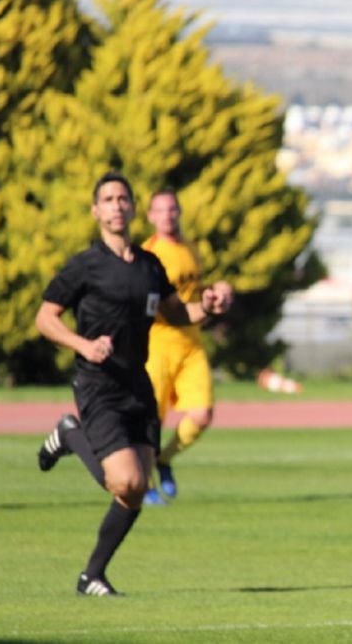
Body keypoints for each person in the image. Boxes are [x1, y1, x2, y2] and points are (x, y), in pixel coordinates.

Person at [35, 172, 232, 596]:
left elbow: (176, 314)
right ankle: (70, 434)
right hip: (97, 383)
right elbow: (45, 318)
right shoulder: (84, 266)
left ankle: (92, 576)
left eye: (123, 198)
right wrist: (82, 345)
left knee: (137, 490)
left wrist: (209, 306)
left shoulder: (149, 265)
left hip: (136, 383)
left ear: (133, 207)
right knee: (123, 481)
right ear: (96, 211)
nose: (117, 205)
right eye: (108, 199)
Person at [142, 189, 234, 504]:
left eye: (172, 209)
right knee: (151, 419)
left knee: (202, 414)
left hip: (191, 341)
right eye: (160, 210)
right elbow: (162, 306)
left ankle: (163, 460)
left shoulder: (192, 248)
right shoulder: (148, 254)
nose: (167, 215)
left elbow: (195, 293)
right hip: (158, 341)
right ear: (150, 216)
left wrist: (216, 294)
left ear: (179, 212)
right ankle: (145, 482)